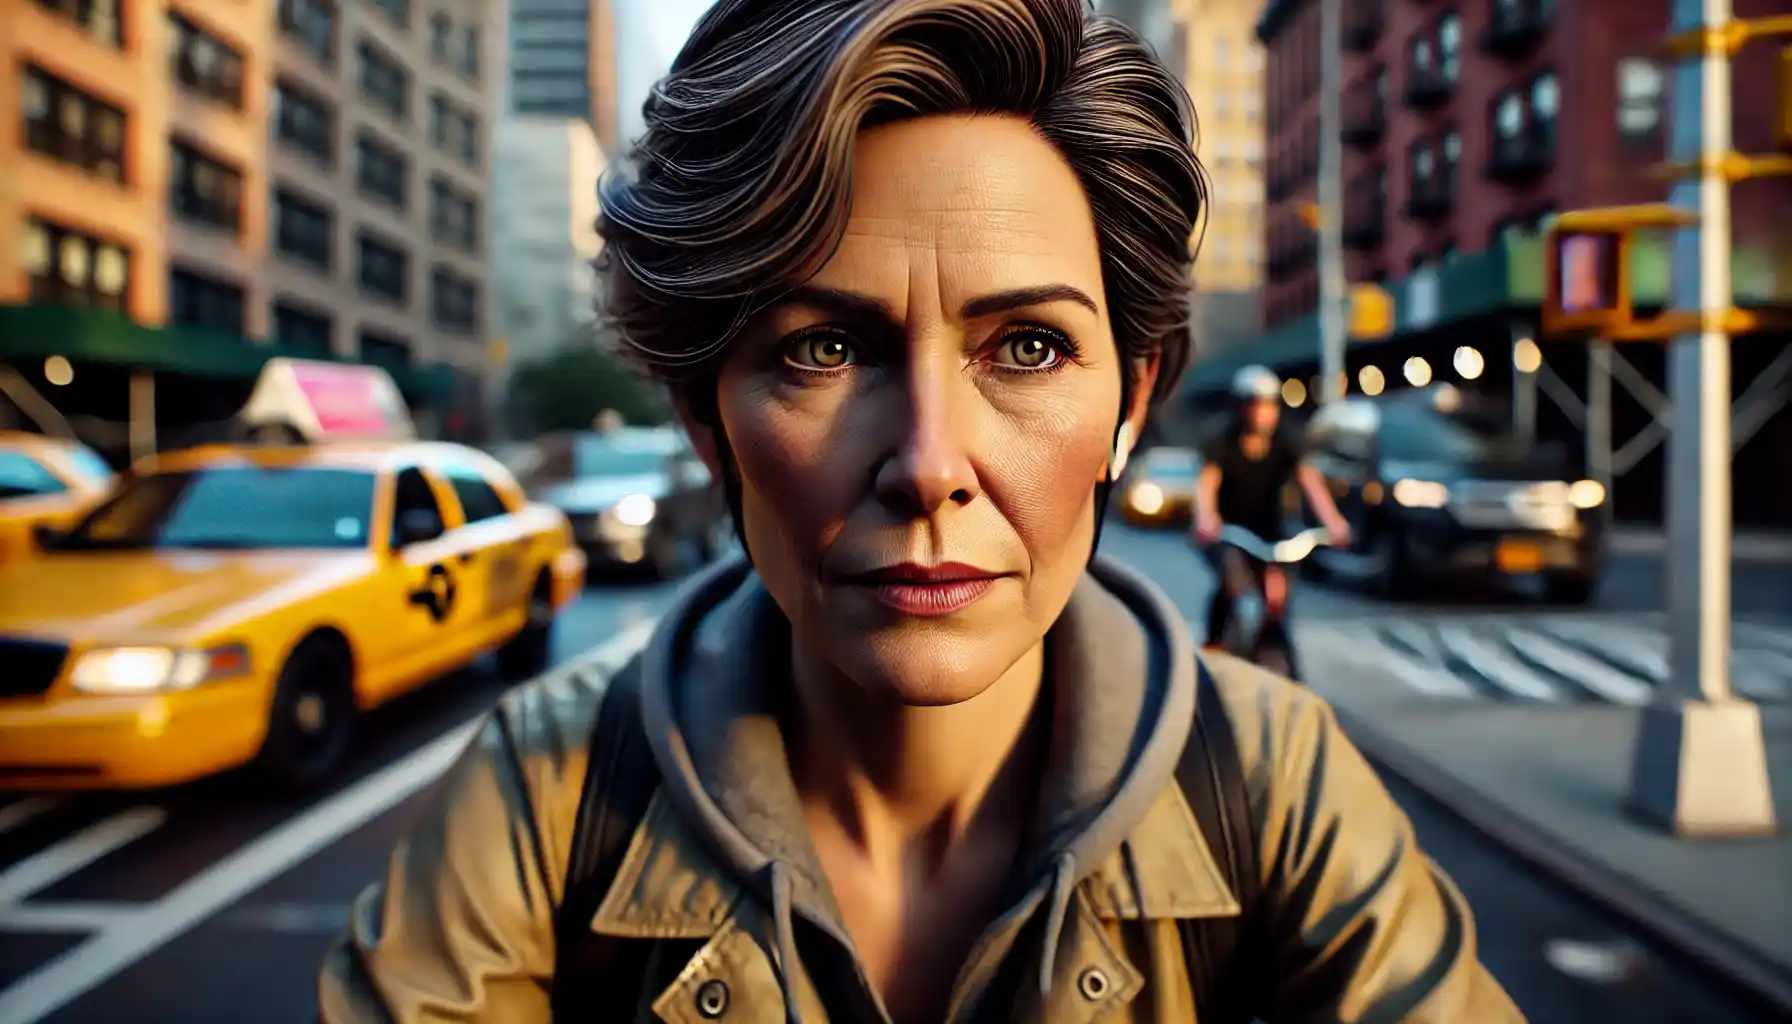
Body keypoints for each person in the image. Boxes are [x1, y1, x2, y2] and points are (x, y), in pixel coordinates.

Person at [318, 2, 1520, 1021]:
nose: (929, 462)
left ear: (1131, 400)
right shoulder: (544, 792)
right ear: (704, 416)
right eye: (825, 347)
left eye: (1031, 346)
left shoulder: (1272, 778)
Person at [1192, 365, 1352, 674]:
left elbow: (1310, 482)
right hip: (1230, 533)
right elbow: (1207, 485)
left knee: (1277, 600)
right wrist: (1206, 517)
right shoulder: (1223, 442)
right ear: (1240, 407)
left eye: (1268, 404)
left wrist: (1333, 522)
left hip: (1272, 534)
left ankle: (1284, 667)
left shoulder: (1285, 441)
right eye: (1254, 404)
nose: (1262, 413)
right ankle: (1213, 648)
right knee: (1232, 585)